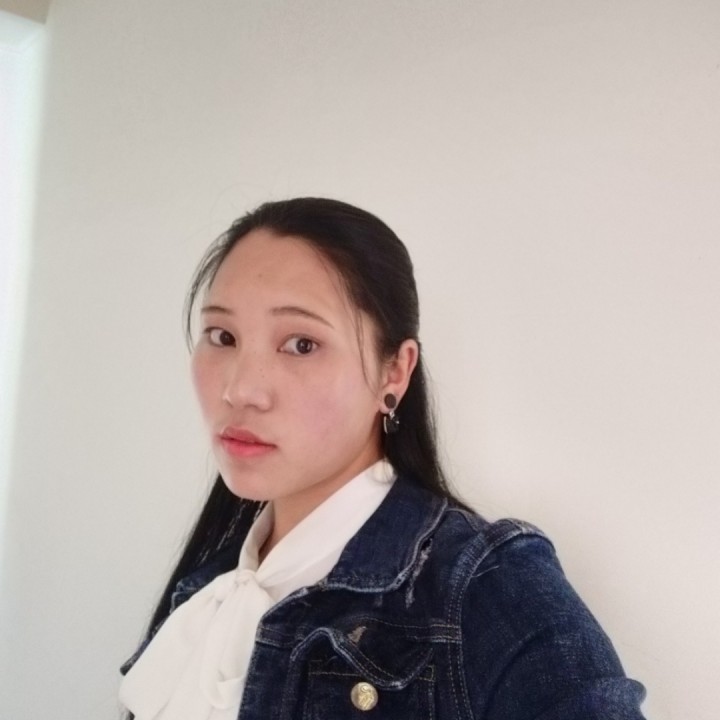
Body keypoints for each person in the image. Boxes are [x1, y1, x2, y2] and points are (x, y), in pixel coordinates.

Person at [119, 197, 647, 719]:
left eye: (301, 344)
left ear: (394, 372)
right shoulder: (207, 592)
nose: (240, 390)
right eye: (223, 336)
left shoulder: (483, 588)